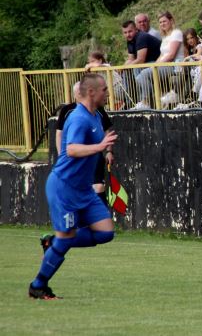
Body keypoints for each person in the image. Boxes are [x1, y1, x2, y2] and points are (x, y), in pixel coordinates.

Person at [29, 73, 118, 300]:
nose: (108, 93)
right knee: (66, 238)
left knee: (106, 232)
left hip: (83, 190)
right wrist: (100, 147)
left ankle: (54, 241)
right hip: (64, 188)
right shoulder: (79, 118)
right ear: (92, 92)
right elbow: (71, 150)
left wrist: (105, 148)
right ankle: (38, 286)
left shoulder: (95, 116)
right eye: (104, 90)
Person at [121, 20, 161, 109]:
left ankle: (145, 101)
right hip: (147, 64)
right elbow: (131, 59)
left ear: (136, 29)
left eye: (130, 31)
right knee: (126, 72)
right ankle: (130, 102)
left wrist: (126, 66)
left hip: (158, 62)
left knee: (136, 68)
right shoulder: (130, 40)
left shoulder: (141, 37)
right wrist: (122, 68)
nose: (128, 35)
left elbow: (140, 60)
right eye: (125, 32)